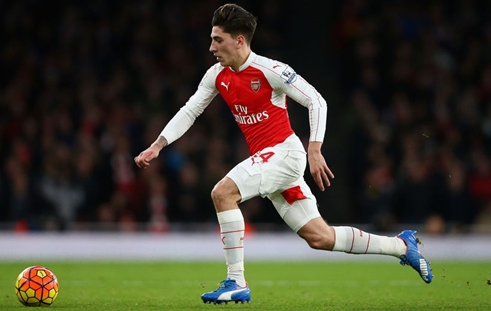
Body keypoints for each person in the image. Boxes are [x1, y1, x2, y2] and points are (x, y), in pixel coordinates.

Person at [134, 3, 433, 305]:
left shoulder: (271, 70)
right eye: (212, 39)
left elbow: (317, 101)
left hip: (285, 154)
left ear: (239, 40)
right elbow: (191, 110)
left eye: (218, 39)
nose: (211, 46)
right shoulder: (216, 75)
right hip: (270, 162)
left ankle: (236, 281)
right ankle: (401, 246)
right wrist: (158, 144)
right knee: (320, 237)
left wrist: (314, 149)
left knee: (222, 193)